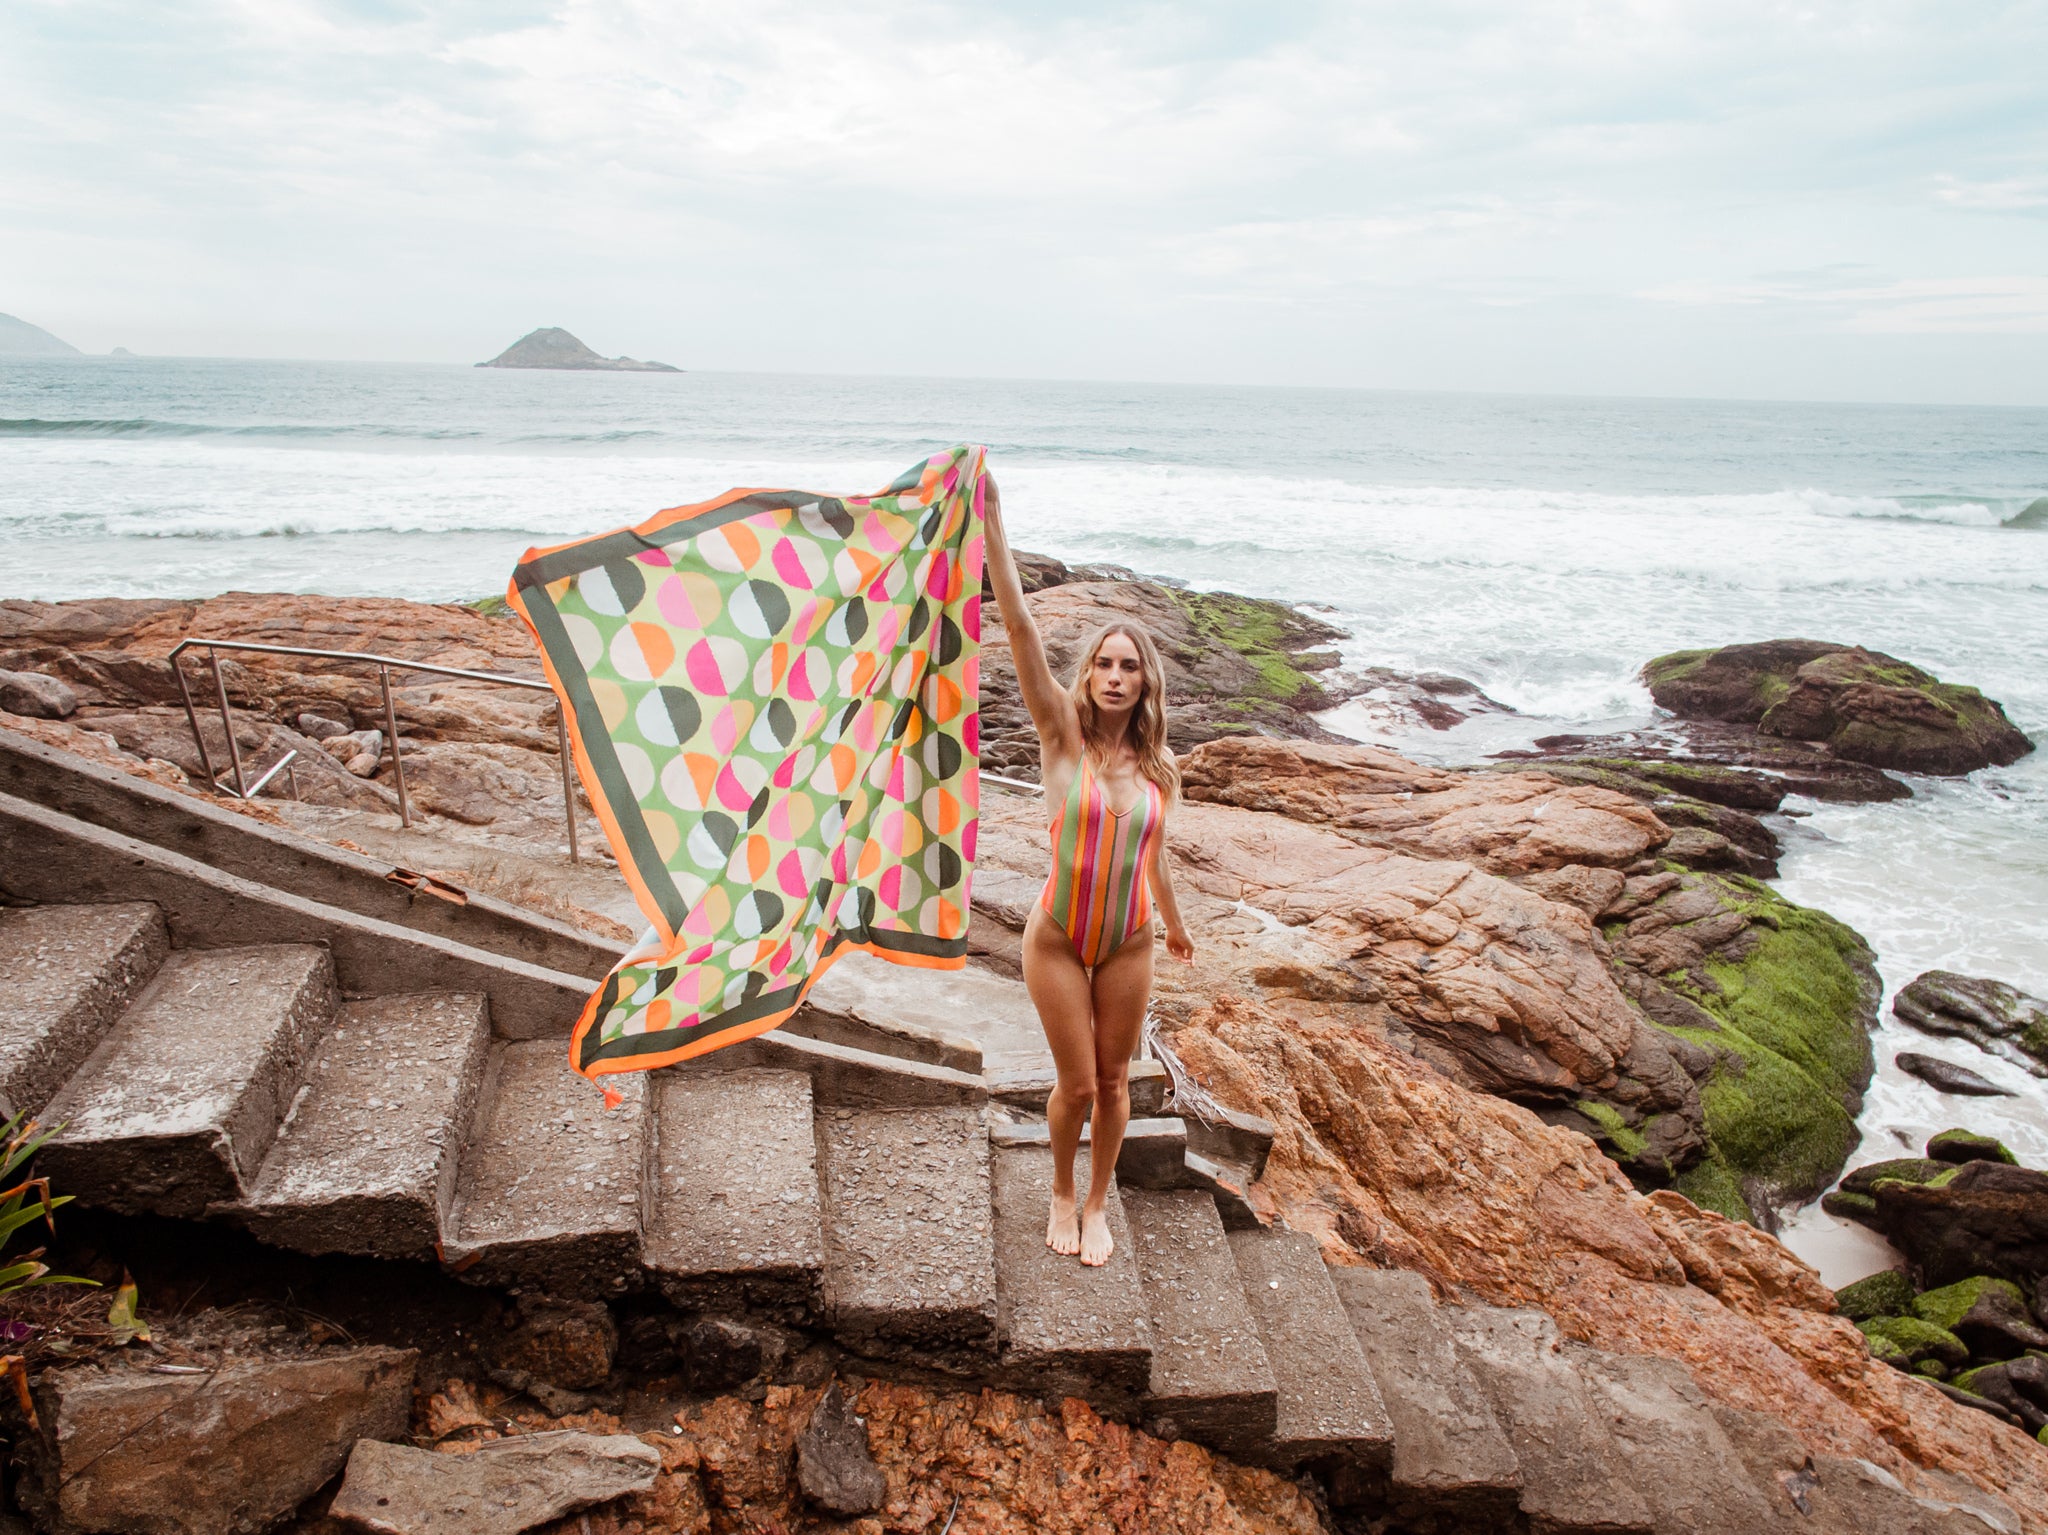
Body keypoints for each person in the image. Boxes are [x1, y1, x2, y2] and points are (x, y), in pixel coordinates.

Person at [981, 477, 1195, 1267]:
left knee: (1114, 1085)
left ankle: (1100, 1203)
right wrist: (993, 522)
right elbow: (1020, 627)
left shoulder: (1159, 768)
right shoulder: (1059, 737)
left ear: (1144, 681)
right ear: (1090, 674)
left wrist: (1175, 927)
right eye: (1103, 662)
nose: (1113, 675)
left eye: (1127, 665)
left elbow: (1152, 855)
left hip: (1131, 940)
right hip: (1060, 938)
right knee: (1074, 1086)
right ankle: (1062, 1191)